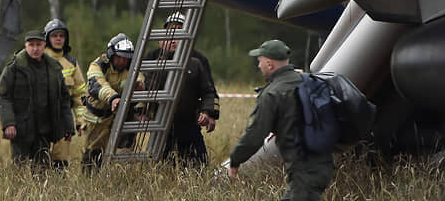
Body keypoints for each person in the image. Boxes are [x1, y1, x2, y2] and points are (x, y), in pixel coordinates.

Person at [229, 40, 335, 201]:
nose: (258, 65)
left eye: (260, 61)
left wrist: (235, 160)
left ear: (269, 64)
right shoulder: (307, 80)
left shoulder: (273, 93)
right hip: (322, 163)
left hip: (303, 169)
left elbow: (256, 134)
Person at [143, 12, 220, 165]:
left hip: (189, 124)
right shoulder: (151, 58)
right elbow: (143, 86)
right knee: (158, 169)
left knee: (200, 167)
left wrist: (209, 113)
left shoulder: (198, 61)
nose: (174, 38)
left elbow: (209, 91)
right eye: (171, 31)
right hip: (160, 126)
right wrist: (144, 110)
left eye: (179, 31)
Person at [0, 30, 75, 168]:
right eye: (31, 45)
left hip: (44, 130)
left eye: (38, 44)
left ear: (45, 45)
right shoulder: (14, 68)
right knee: (19, 170)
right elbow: (4, 96)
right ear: (25, 45)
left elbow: (63, 99)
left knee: (42, 171)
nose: (35, 48)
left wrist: (68, 126)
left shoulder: (53, 68)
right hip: (21, 130)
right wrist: (8, 123)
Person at [81, 33, 144, 170]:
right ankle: (91, 184)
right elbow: (97, 84)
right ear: (111, 55)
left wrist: (140, 86)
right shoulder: (98, 66)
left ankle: (121, 180)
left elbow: (140, 78)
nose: (122, 61)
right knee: (93, 154)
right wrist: (113, 98)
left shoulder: (132, 69)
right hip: (97, 120)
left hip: (119, 117)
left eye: (126, 58)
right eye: (119, 57)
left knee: (125, 150)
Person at [43, 18, 87, 168]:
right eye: (54, 35)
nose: (58, 39)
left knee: (60, 162)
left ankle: (58, 190)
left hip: (63, 118)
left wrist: (80, 121)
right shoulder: (38, 59)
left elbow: (80, 96)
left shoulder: (71, 63)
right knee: (39, 159)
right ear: (47, 38)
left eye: (61, 36)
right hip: (41, 117)